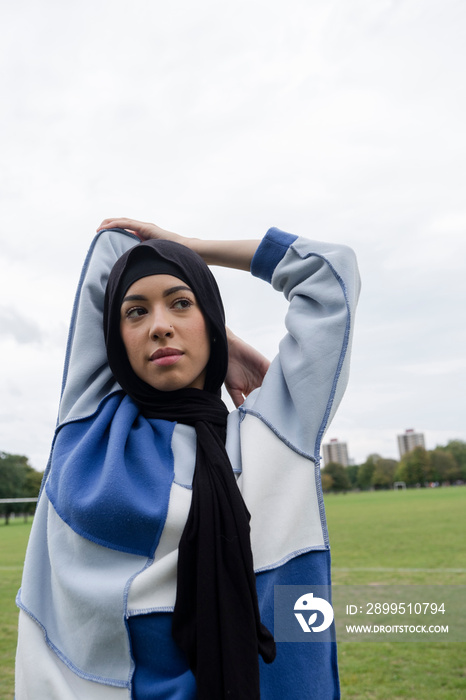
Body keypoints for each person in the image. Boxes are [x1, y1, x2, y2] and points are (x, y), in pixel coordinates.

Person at [15, 217, 360, 699]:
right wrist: (212, 330)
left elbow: (330, 271)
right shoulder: (88, 426)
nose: (159, 326)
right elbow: (111, 245)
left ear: (210, 319)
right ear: (114, 338)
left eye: (181, 303)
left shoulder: (276, 430)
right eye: (135, 313)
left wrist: (191, 248)